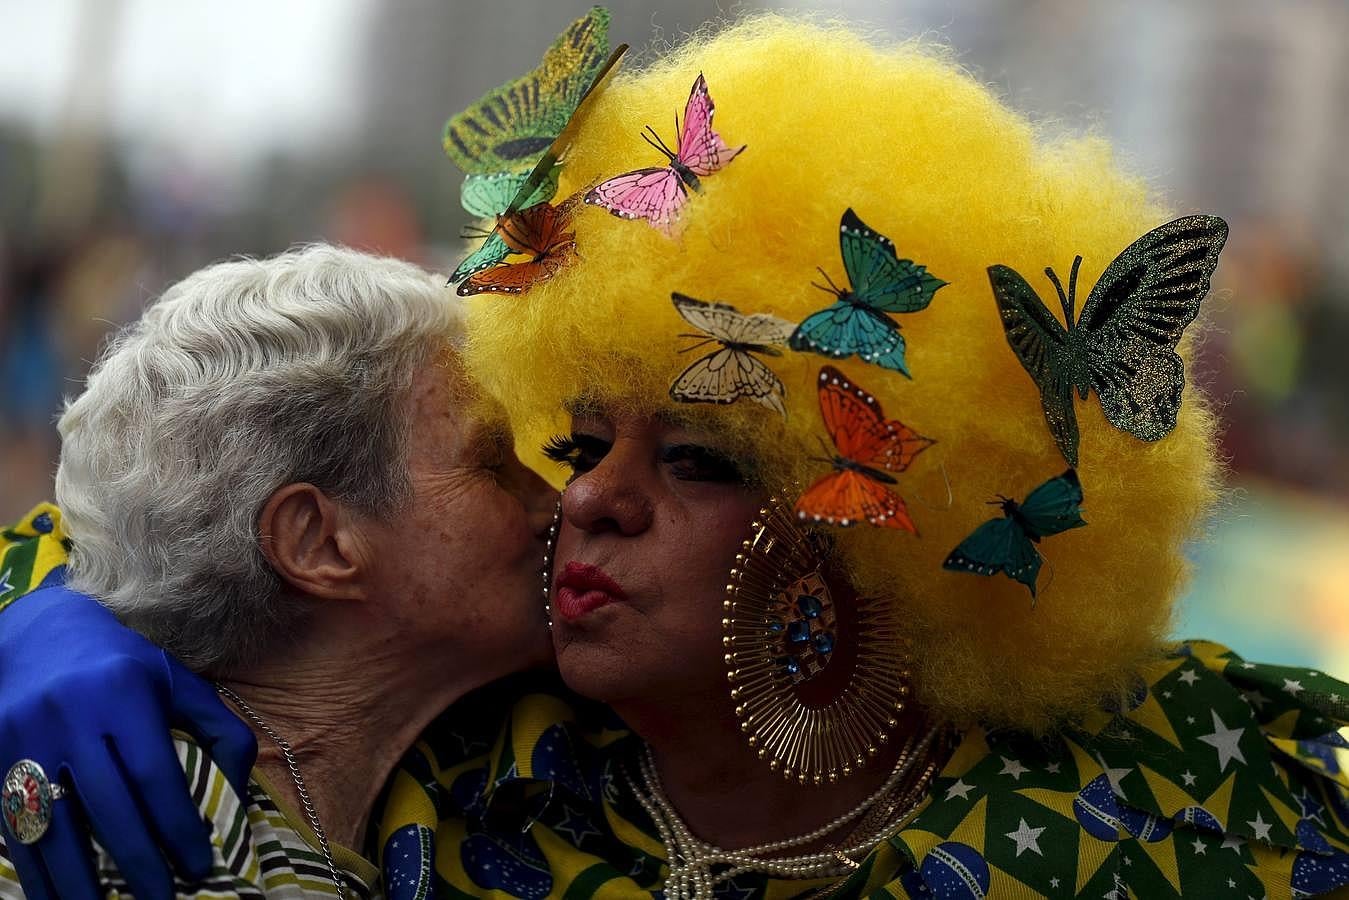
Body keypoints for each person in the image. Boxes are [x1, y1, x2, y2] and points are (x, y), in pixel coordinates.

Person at [5, 12, 1349, 900]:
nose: (587, 495)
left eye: (701, 458)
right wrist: (51, 613)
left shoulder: (1163, 804)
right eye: (573, 441)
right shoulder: (474, 747)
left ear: (871, 529)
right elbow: (212, 520)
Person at [0, 245, 556, 898]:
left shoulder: (458, 769)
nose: (556, 497)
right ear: (318, 543)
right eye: (492, 461)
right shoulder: (142, 835)